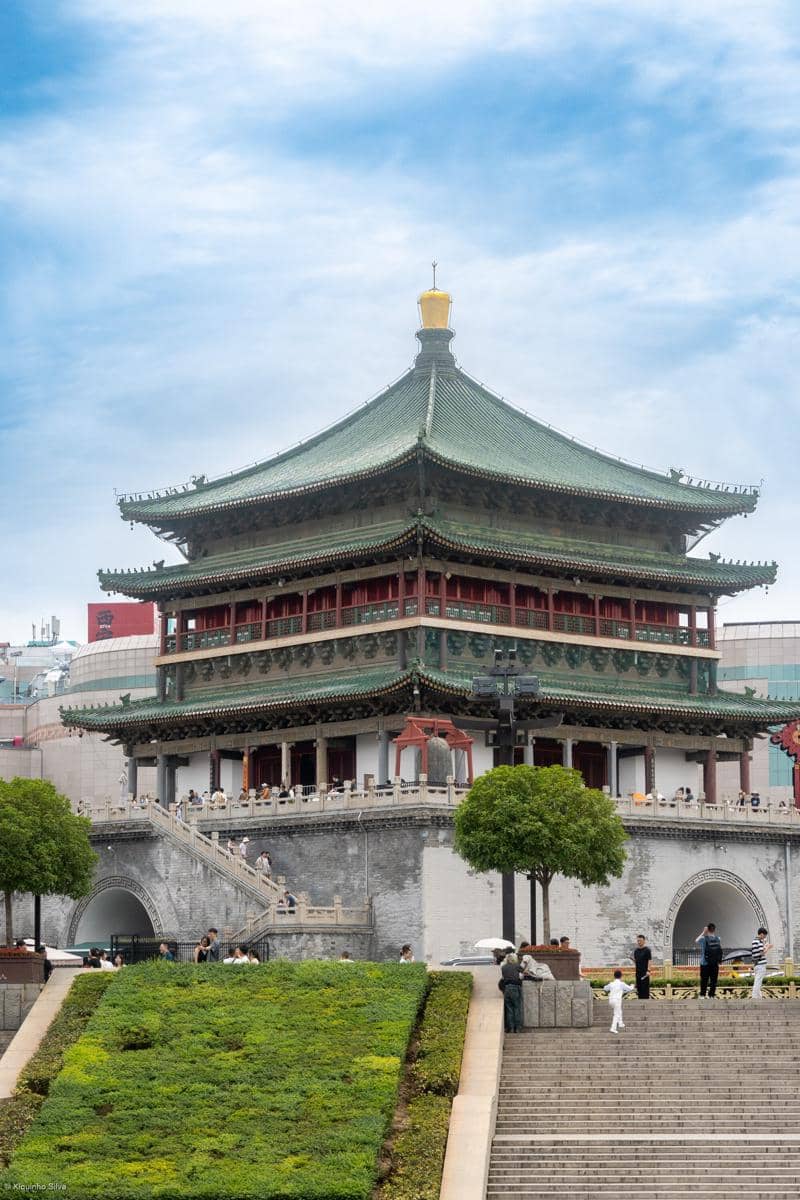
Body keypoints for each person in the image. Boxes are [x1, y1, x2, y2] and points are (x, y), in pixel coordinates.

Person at [695, 922, 723, 998]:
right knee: (713, 980)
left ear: (707, 929)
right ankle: (711, 995)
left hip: (705, 963)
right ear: (714, 930)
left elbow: (696, 940)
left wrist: (703, 932)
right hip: (715, 963)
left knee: (704, 980)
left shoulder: (704, 939)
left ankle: (702, 995)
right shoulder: (718, 939)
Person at [500, 953, 524, 1033]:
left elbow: (503, 977)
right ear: (515, 959)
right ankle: (517, 1028)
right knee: (516, 1007)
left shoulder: (503, 967)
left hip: (507, 988)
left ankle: (511, 1028)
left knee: (509, 1009)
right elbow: (523, 973)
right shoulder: (517, 966)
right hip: (515, 988)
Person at [750, 926, 772, 1000]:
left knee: (757, 981)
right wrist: (768, 947)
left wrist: (764, 946)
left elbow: (757, 952)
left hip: (756, 964)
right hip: (761, 964)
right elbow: (762, 953)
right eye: (765, 935)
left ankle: (759, 997)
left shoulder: (754, 941)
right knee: (758, 982)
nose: (764, 937)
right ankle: (755, 997)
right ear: (762, 934)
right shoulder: (759, 941)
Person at [632, 934, 652, 999]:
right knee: (639, 989)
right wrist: (633, 960)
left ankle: (646, 1004)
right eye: (638, 941)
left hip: (645, 973)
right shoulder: (636, 951)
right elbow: (636, 962)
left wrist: (648, 970)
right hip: (638, 973)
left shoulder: (647, 950)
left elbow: (649, 960)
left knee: (645, 989)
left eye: (640, 940)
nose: (639, 942)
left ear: (644, 941)